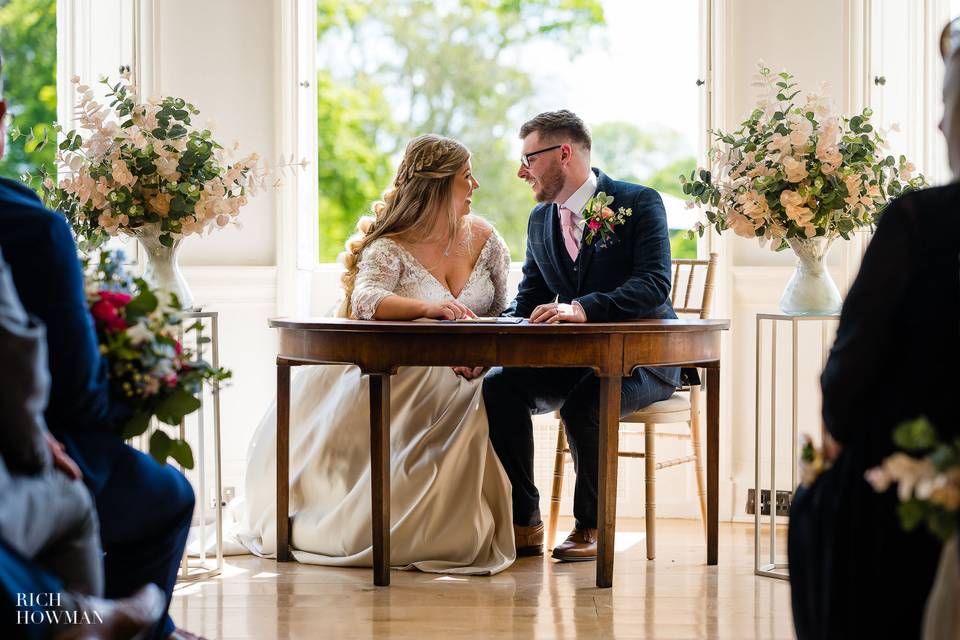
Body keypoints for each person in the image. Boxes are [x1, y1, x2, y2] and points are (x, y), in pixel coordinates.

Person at [235, 134, 515, 574]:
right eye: (466, 177)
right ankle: (391, 525)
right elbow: (365, 299)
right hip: (403, 367)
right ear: (440, 186)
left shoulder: (487, 238)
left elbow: (504, 308)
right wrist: (428, 309)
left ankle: (507, 520)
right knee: (421, 390)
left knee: (497, 395)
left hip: (476, 368)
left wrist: (483, 351)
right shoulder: (392, 244)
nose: (475, 185)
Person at [0, 51, 199, 640]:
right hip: (36, 449)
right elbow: (77, 398)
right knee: (170, 495)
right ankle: (130, 626)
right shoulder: (34, 227)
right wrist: (139, 391)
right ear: (2, 114)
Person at [787, 37, 960, 640]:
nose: (940, 120)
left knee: (821, 513)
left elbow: (848, 377)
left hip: (914, 497)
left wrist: (837, 438)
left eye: (949, 99)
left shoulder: (918, 221)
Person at [480, 110, 679, 560]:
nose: (521, 170)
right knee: (499, 386)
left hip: (642, 359)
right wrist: (491, 346)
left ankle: (591, 525)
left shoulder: (638, 202)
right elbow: (528, 298)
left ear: (563, 154)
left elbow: (653, 284)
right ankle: (525, 521)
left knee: (588, 402)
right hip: (575, 360)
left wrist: (581, 308)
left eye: (529, 158)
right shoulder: (538, 222)